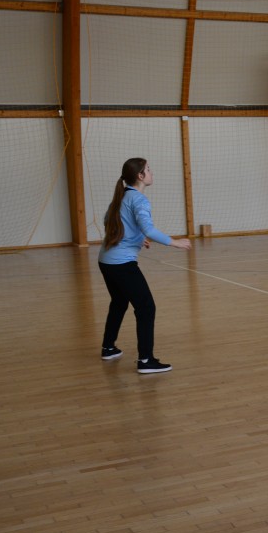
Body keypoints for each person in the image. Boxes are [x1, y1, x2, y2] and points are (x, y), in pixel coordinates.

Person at [98, 158, 191, 373]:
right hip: (121, 264)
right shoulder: (138, 199)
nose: (151, 172)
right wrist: (175, 242)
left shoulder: (121, 196)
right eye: (148, 169)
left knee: (119, 302)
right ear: (140, 176)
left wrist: (137, 238)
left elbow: (110, 222)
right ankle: (146, 360)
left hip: (106, 261)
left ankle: (108, 347)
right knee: (146, 307)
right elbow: (148, 229)